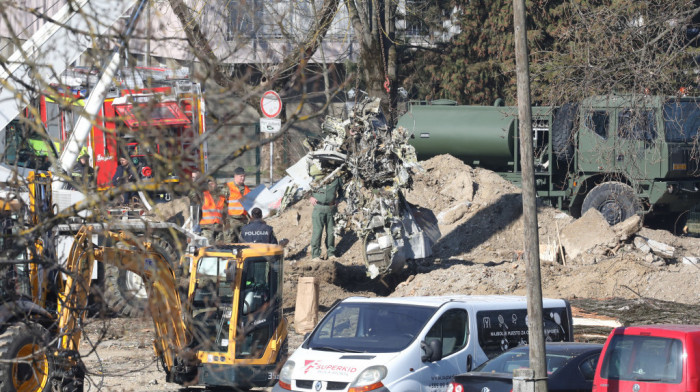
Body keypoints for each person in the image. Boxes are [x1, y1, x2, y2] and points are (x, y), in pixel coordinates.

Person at [309, 175, 343, 261]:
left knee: (331, 232)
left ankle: (331, 253)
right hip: (318, 208)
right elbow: (305, 188)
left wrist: (338, 200)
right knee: (317, 232)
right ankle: (315, 255)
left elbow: (342, 191)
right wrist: (309, 197)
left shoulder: (337, 178)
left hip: (331, 208)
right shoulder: (317, 177)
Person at [223, 167, 250, 243]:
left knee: (245, 243)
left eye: (244, 176)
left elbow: (249, 206)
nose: (243, 178)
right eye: (241, 176)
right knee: (230, 243)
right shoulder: (228, 187)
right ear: (235, 176)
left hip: (243, 220)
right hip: (231, 220)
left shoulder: (247, 189)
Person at [199, 177, 225, 244]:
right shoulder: (203, 195)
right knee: (207, 247)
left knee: (220, 248)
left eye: (213, 184)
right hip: (207, 227)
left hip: (219, 227)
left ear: (216, 184)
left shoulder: (222, 196)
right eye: (209, 184)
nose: (211, 186)